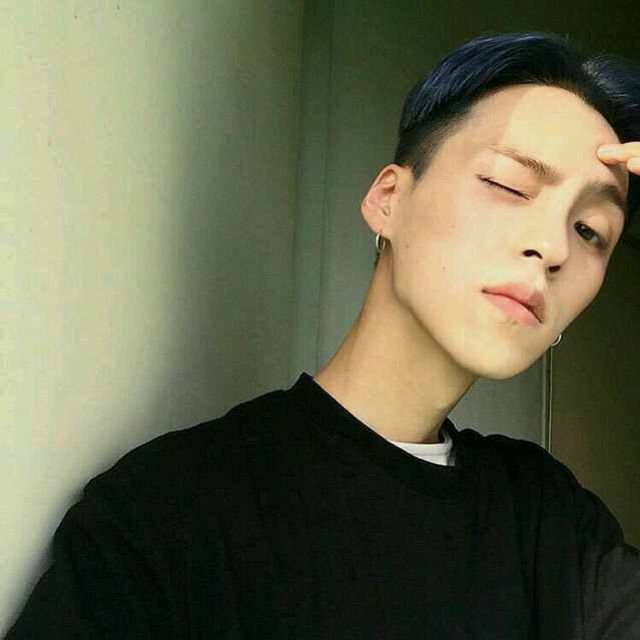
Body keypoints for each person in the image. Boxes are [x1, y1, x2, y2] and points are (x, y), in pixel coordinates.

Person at [5, 30, 640, 639]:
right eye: (509, 184)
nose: (554, 247)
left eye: (591, 232)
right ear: (388, 199)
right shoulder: (171, 514)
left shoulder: (551, 522)